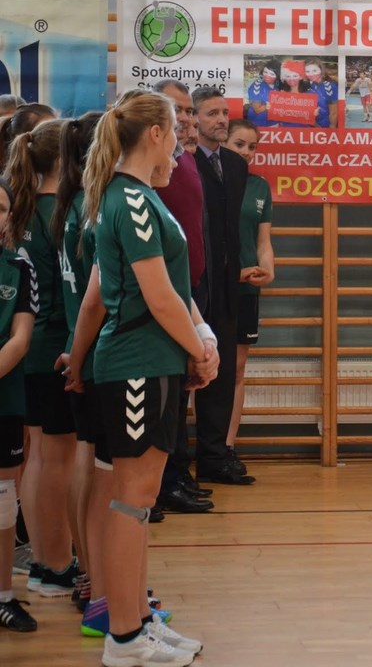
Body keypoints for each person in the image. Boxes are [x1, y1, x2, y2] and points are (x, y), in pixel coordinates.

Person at [70, 89, 213, 665]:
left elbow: (175, 290)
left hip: (155, 363)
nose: (179, 142)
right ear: (155, 134)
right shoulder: (128, 199)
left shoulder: (143, 198)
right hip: (136, 365)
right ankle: (124, 637)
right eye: (175, 130)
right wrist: (200, 351)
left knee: (141, 500)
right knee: (131, 501)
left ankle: (139, 622)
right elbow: (157, 296)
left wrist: (200, 339)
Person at [5, 117, 82, 598]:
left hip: (25, 349)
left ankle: (41, 560)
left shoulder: (21, 207)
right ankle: (54, 563)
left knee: (36, 458)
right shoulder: (62, 212)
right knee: (56, 460)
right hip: (53, 348)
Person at [152, 80, 215, 514]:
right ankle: (162, 483)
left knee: (181, 391)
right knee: (167, 393)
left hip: (191, 286)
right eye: (179, 111)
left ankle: (176, 475)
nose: (188, 118)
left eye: (191, 111)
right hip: (167, 289)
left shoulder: (185, 159)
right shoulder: (155, 167)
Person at [50, 111, 103, 615]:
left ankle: (90, 574)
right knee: (93, 469)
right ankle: (98, 581)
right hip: (93, 351)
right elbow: (96, 299)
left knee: (84, 461)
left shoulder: (73, 203)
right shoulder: (94, 206)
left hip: (79, 346)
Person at [191, 87, 252, 486]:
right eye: (212, 113)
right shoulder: (183, 162)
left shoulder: (234, 164)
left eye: (224, 113)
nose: (221, 120)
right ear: (195, 119)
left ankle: (214, 458)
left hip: (227, 285)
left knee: (223, 373)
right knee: (187, 375)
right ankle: (174, 467)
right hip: (194, 285)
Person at [224, 119, 275, 471]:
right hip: (213, 290)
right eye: (239, 144)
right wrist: (231, 273)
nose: (246, 152)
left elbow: (263, 241)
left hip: (245, 291)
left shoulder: (259, 187)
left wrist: (267, 267)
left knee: (237, 369)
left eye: (252, 146)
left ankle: (227, 446)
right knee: (202, 367)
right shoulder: (210, 182)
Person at [0, 176, 38, 632]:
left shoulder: (19, 267)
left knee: (4, 501)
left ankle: (3, 596)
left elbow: (21, 338)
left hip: (5, 399)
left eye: (2, 208)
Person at [245, 59, 280, 128]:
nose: (267, 75)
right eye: (265, 72)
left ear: (278, 76)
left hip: (274, 123)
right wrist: (268, 106)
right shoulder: (256, 86)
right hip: (258, 124)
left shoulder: (277, 86)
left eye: (272, 74)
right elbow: (257, 110)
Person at [304, 59, 338, 128]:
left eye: (314, 70)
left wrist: (332, 129)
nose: (311, 74)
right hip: (314, 125)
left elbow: (333, 113)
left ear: (321, 70)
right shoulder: (311, 84)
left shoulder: (329, 86)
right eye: (307, 71)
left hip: (326, 126)